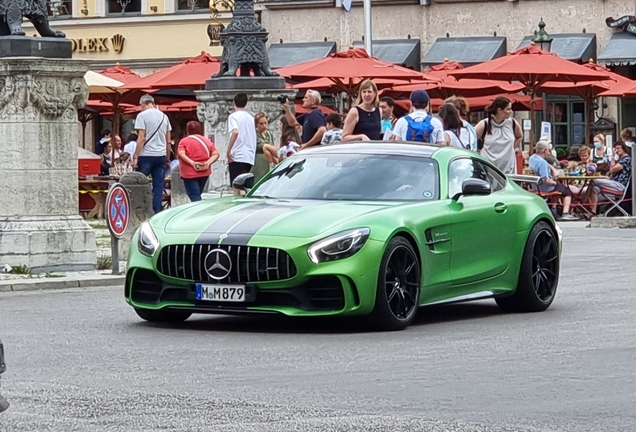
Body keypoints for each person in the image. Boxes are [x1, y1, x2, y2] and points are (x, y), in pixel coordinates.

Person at [132, 94, 172, 214]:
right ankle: (156, 212)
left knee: (140, 185)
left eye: (141, 106)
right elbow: (168, 141)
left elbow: (141, 138)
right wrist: (167, 158)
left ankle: (140, 210)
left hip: (146, 155)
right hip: (161, 155)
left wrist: (135, 156)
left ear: (143, 105)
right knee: (158, 187)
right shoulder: (164, 117)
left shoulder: (142, 116)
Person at [529, 140, 579, 221]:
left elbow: (545, 165)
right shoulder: (542, 163)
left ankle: (554, 208)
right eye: (548, 150)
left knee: (559, 187)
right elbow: (546, 180)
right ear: (545, 150)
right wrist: (554, 182)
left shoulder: (532, 158)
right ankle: (565, 213)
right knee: (567, 192)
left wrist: (552, 168)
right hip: (544, 187)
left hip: (535, 186)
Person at [475, 97, 522, 174]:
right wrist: (477, 153)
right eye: (508, 109)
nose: (511, 111)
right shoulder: (484, 124)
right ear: (499, 110)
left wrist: (511, 149)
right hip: (488, 168)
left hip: (508, 169)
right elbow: (470, 139)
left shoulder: (512, 123)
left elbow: (519, 136)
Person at [177, 121, 220, 202]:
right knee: (198, 193)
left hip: (189, 173)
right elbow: (216, 154)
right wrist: (208, 163)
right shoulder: (206, 141)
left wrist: (192, 163)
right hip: (204, 171)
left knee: (194, 196)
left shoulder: (184, 141)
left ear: (187, 130)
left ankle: (200, 212)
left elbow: (181, 154)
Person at [587, 140, 632, 214]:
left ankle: (583, 201)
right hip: (614, 183)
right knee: (595, 188)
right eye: (615, 149)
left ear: (623, 148)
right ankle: (592, 212)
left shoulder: (626, 159)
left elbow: (612, 169)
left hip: (620, 185)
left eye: (618, 148)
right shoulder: (620, 159)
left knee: (593, 180)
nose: (616, 151)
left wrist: (613, 157)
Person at [227, 93, 257, 195]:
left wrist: (228, 151)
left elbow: (235, 132)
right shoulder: (250, 117)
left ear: (234, 102)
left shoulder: (233, 116)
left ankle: (238, 205)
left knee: (237, 186)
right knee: (243, 184)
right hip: (249, 155)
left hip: (238, 154)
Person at [253, 112, 277, 180]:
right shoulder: (254, 134)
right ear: (256, 124)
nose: (264, 125)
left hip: (269, 162)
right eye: (261, 123)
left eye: (265, 123)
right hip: (258, 162)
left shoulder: (269, 134)